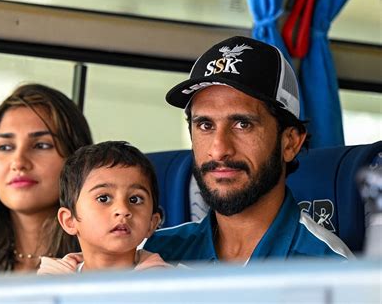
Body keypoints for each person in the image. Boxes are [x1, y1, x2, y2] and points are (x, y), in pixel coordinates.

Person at [144, 36, 353, 264]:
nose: (219, 150)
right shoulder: (154, 253)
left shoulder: (329, 269)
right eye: (205, 125)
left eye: (243, 124)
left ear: (290, 143)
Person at [0, 83, 93, 274]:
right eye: (5, 147)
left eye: (41, 145)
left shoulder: (114, 277)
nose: (18, 162)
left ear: (77, 159)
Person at [37, 141, 170, 274]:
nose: (123, 210)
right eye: (103, 198)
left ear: (152, 223)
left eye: (135, 199)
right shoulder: (48, 285)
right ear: (69, 221)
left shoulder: (175, 285)